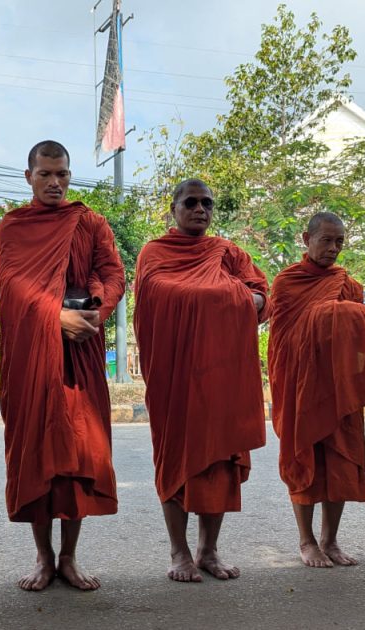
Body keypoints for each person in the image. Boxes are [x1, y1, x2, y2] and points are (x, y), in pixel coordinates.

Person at [0, 140, 125, 591]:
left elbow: (113, 273)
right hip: (34, 354)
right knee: (38, 452)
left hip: (80, 350)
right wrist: (55, 317)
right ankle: (42, 556)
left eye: (62, 174)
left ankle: (68, 557)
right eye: (46, 174)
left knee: (76, 454)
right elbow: (14, 285)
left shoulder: (89, 221)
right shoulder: (12, 227)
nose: (55, 183)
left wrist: (95, 312)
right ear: (28, 176)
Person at [133, 178, 268, 582]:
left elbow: (262, 295)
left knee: (219, 464)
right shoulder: (154, 253)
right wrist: (225, 296)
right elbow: (157, 295)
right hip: (176, 378)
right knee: (176, 461)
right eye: (190, 202)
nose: (200, 210)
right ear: (173, 209)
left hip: (223, 377)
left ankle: (208, 551)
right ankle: (179, 553)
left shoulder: (227, 252)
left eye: (207, 203)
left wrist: (231, 295)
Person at [268, 212, 365, 568]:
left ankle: (331, 540)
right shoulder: (287, 281)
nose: (334, 248)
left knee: (341, 461)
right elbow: (288, 337)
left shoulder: (347, 284)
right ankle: (307, 542)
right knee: (305, 458)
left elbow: (355, 338)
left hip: (340, 388)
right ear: (306, 239)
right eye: (326, 240)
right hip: (301, 384)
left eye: (339, 242)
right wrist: (344, 315)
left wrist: (356, 319)